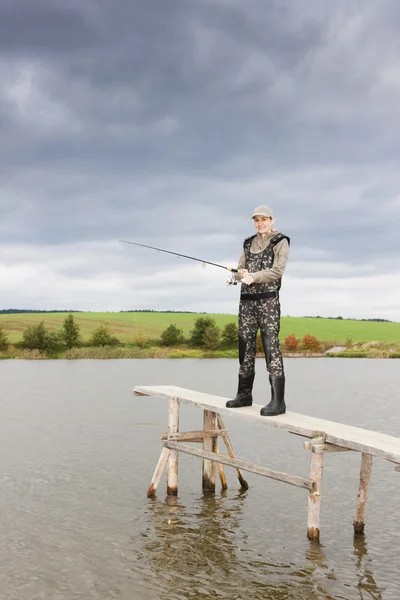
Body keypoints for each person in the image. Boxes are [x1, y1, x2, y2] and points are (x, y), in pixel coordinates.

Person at [226, 205, 290, 416]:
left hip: (268, 302)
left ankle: (278, 402)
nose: (260, 223)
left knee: (271, 346)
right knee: (245, 345)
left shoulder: (280, 241)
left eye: (264, 219)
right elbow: (238, 270)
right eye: (256, 220)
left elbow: (277, 271)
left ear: (272, 220)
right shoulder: (247, 242)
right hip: (246, 302)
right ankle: (244, 395)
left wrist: (255, 276)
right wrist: (239, 274)